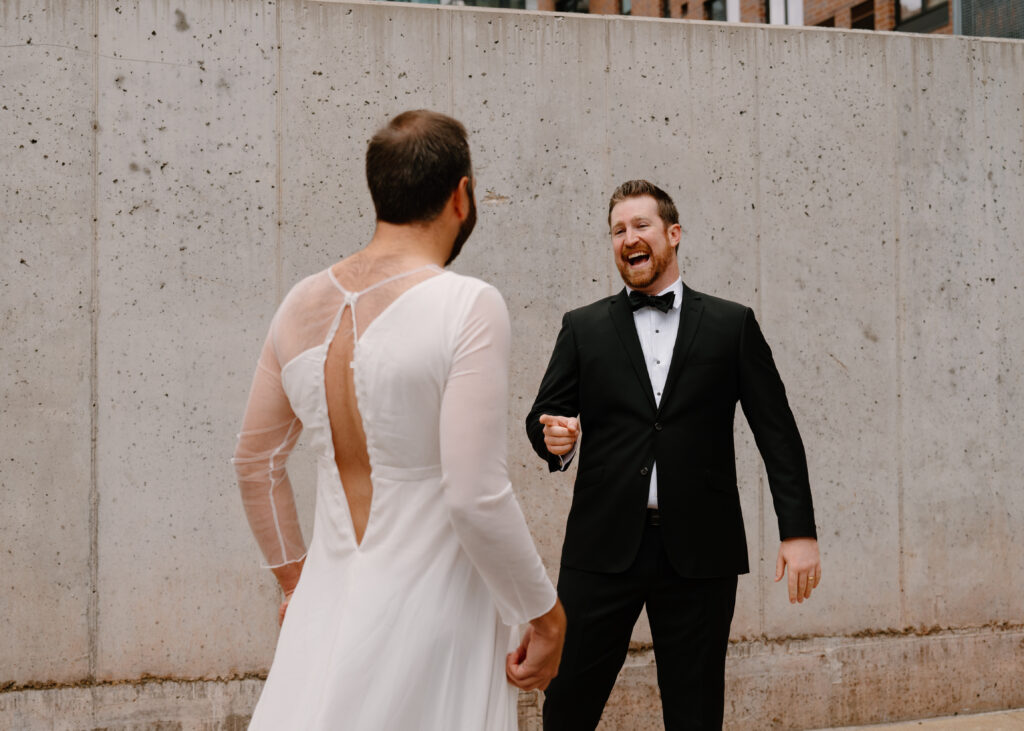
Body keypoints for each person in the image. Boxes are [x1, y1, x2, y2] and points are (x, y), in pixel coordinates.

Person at [233, 109, 566, 730]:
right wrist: (545, 616)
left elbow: (255, 464)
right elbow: (474, 495)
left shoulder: (300, 303)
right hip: (439, 614)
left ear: (378, 189)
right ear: (461, 195)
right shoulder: (467, 304)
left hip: (325, 612)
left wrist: (297, 587)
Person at [526, 180, 821, 730]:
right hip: (602, 546)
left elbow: (777, 432)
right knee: (567, 705)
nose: (628, 238)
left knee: (695, 710)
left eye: (640, 226)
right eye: (617, 230)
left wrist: (798, 531)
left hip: (701, 552)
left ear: (673, 234)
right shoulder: (583, 327)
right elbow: (545, 413)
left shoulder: (732, 325)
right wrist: (555, 438)